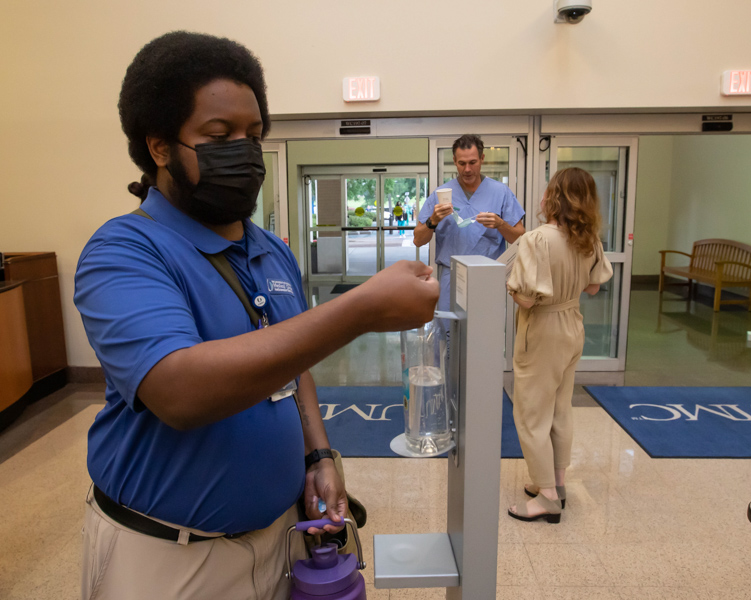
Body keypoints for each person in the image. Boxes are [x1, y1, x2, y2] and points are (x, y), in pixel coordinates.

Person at [74, 31, 438, 600]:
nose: (244, 151)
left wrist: (318, 453)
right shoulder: (123, 251)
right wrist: (359, 309)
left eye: (253, 135)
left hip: (280, 541)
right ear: (159, 147)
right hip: (170, 557)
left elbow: (293, 366)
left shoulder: (271, 249)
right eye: (219, 136)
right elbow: (179, 391)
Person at [506, 167, 612, 523]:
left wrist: (511, 285)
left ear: (554, 196)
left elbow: (525, 300)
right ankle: (557, 483)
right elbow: (594, 287)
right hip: (573, 324)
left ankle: (547, 496)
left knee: (532, 413)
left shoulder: (537, 239)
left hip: (544, 328)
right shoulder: (589, 240)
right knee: (560, 408)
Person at [414, 134, 525, 311]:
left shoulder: (501, 192)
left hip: (488, 276)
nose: (467, 169)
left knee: (486, 330)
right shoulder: (440, 194)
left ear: (482, 159)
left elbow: (521, 238)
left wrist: (501, 225)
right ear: (454, 161)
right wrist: (432, 220)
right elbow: (418, 240)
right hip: (451, 276)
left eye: (472, 162)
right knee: (450, 332)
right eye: (461, 163)